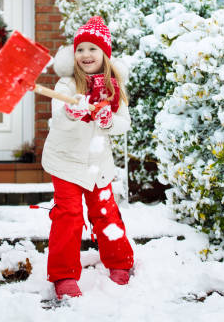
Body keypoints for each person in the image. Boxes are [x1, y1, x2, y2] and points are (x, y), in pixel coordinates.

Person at [41, 16, 134, 300]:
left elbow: (123, 123)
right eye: (80, 49)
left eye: (92, 49)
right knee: (68, 216)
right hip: (66, 162)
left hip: (97, 164)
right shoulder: (66, 85)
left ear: (104, 53)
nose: (85, 55)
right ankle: (64, 275)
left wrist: (107, 121)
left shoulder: (113, 86)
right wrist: (72, 113)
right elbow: (57, 117)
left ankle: (119, 262)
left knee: (105, 212)